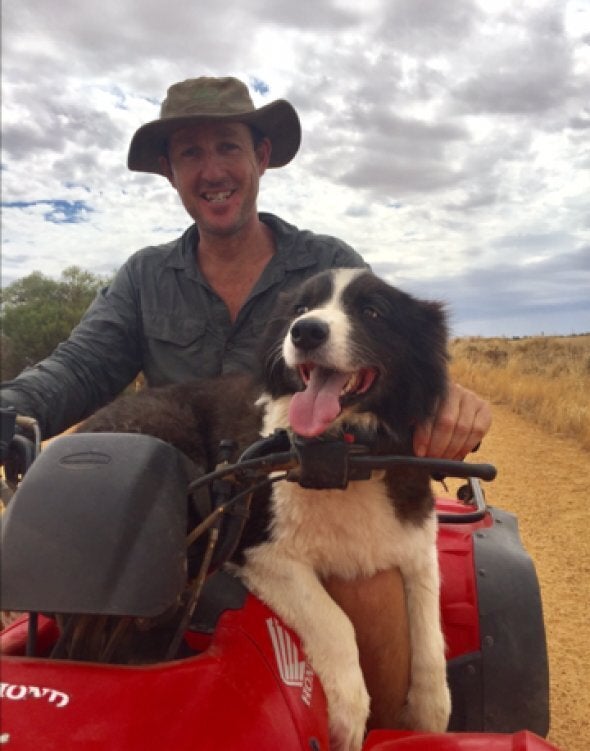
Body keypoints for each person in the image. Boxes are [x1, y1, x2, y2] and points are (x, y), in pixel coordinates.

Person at [0, 76, 491, 727]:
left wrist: (447, 400)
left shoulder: (324, 263)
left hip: (313, 500)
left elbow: (392, 355)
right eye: (189, 154)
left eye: (226, 147)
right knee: (72, 561)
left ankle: (383, 733)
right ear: (171, 173)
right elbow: (77, 368)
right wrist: (13, 407)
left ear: (261, 155)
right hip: (181, 506)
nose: (211, 170)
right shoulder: (145, 276)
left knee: (369, 580)